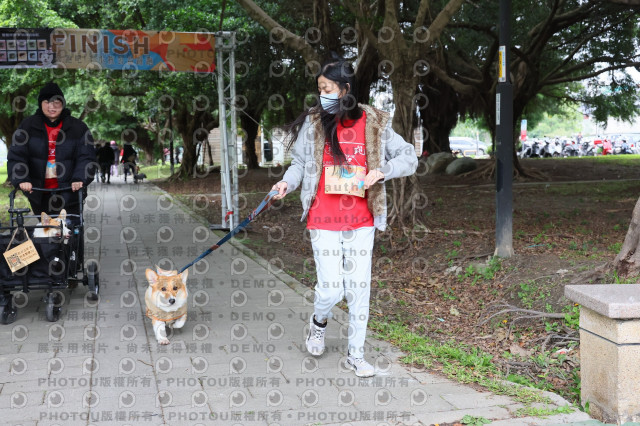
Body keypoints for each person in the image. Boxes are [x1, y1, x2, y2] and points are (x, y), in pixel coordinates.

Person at [271, 55, 418, 377]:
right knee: (331, 289)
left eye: (327, 89)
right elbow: (299, 164)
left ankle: (356, 355)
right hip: (322, 218)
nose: (321, 95)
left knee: (358, 289)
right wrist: (286, 183)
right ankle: (319, 321)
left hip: (362, 219)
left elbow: (409, 156)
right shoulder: (314, 123)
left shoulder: (374, 122)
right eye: (319, 89)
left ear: (345, 89)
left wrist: (383, 171)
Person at [8, 81, 96, 219]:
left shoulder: (78, 127)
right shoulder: (27, 126)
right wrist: (22, 178)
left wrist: (79, 178)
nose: (52, 106)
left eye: (56, 102)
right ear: (40, 104)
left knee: (70, 229)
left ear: (63, 104)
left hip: (70, 192)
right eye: (47, 102)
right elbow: (17, 155)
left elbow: (86, 157)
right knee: (46, 229)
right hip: (39, 192)